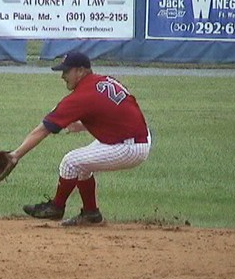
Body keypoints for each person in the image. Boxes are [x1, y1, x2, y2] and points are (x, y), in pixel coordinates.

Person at [9, 51, 151, 226]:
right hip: (134, 136)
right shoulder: (103, 80)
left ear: (81, 71)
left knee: (70, 162)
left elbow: (43, 129)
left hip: (129, 146)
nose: (62, 76)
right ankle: (91, 214)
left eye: (66, 71)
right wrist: (85, 125)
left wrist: (15, 155)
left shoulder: (82, 95)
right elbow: (118, 111)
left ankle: (56, 207)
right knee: (82, 165)